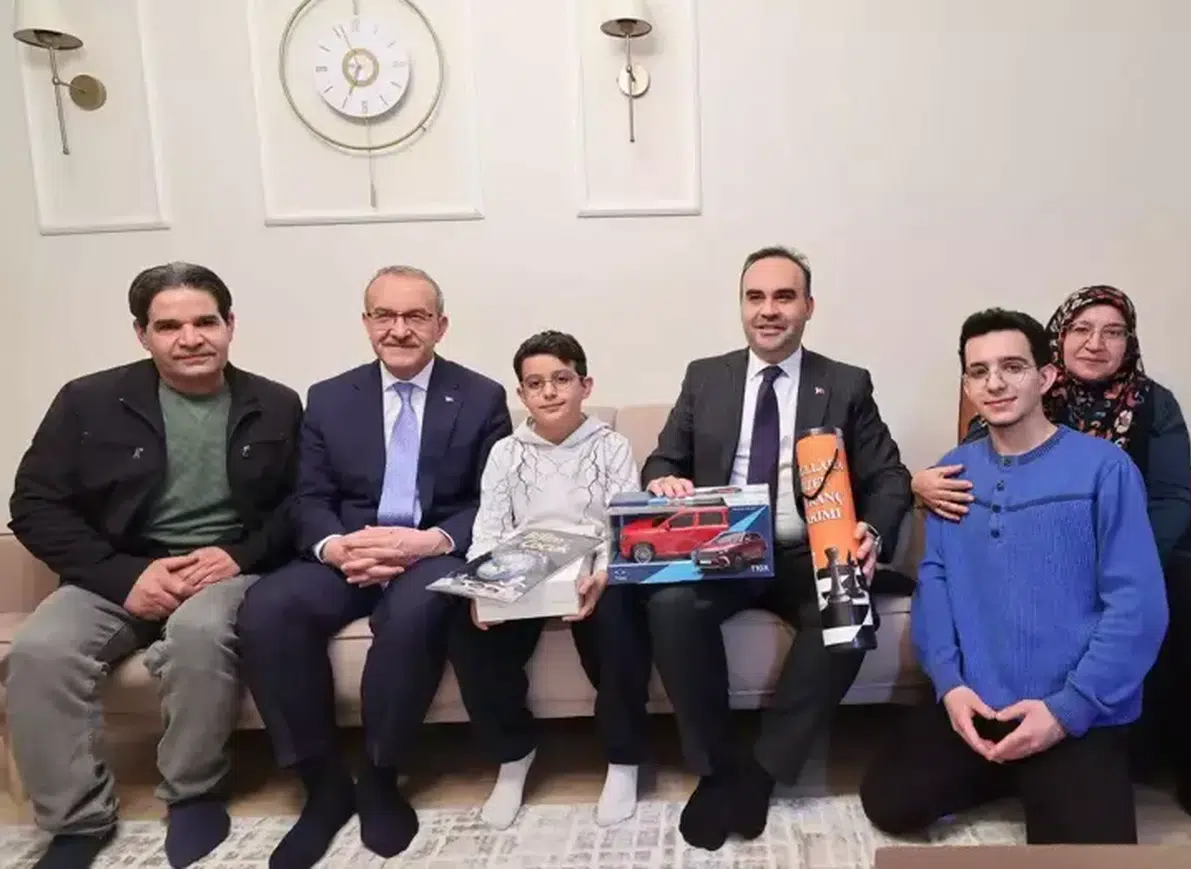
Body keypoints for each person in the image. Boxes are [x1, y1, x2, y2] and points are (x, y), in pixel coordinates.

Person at [5, 263, 303, 869]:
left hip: (224, 571)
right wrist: (125, 577)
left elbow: (301, 505)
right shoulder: (87, 401)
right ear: (142, 334)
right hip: (115, 571)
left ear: (230, 325)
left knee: (199, 635)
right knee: (39, 652)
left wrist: (237, 556)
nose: (190, 339)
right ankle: (77, 823)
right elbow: (33, 505)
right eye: (169, 326)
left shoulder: (275, 403)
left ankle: (193, 795)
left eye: (205, 322)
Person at [912, 285, 1191, 820]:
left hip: (1151, 541)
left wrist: (1119, 552)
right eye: (1083, 330)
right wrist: (920, 484)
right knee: (895, 799)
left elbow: (1170, 498)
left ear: (1041, 375)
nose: (1096, 343)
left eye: (1113, 332)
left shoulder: (1146, 412)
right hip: (1016, 630)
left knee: (1186, 601)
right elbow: (945, 558)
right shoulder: (977, 443)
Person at [235, 266, 512, 867]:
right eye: (385, 315)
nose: (399, 329)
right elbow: (309, 497)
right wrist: (336, 547)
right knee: (267, 608)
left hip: (430, 553)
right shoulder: (329, 397)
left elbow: (492, 498)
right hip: (350, 551)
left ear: (440, 325)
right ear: (365, 323)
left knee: (416, 614)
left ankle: (382, 776)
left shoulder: (482, 397)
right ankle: (322, 784)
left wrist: (430, 541)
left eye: (415, 316)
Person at [861, 307, 1168, 844]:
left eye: (1012, 367)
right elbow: (937, 583)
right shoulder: (953, 473)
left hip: (1072, 711)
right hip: (979, 701)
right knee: (889, 802)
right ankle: (1008, 769)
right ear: (967, 386)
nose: (995, 383)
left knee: (1087, 854)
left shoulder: (1105, 469)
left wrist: (1066, 710)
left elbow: (1138, 606)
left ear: (1045, 377)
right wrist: (951, 688)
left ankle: (1044, 769)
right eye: (979, 371)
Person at [640, 246, 913, 851]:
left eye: (784, 297)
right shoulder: (705, 377)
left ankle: (760, 772)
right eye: (755, 297)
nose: (768, 310)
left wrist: (872, 531)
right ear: (741, 305)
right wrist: (663, 480)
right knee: (670, 606)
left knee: (847, 613)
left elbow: (890, 476)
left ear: (808, 307)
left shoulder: (845, 383)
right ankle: (716, 769)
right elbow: (663, 459)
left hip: (806, 551)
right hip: (725, 549)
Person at [449, 330, 652, 830]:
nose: (549, 392)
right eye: (535, 384)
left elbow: (620, 525)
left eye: (561, 379)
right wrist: (480, 583)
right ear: (521, 394)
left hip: (590, 570)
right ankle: (513, 756)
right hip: (524, 571)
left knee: (621, 615)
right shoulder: (505, 452)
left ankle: (623, 759)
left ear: (585, 385)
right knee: (467, 628)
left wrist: (602, 573)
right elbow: (489, 528)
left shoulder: (611, 446)